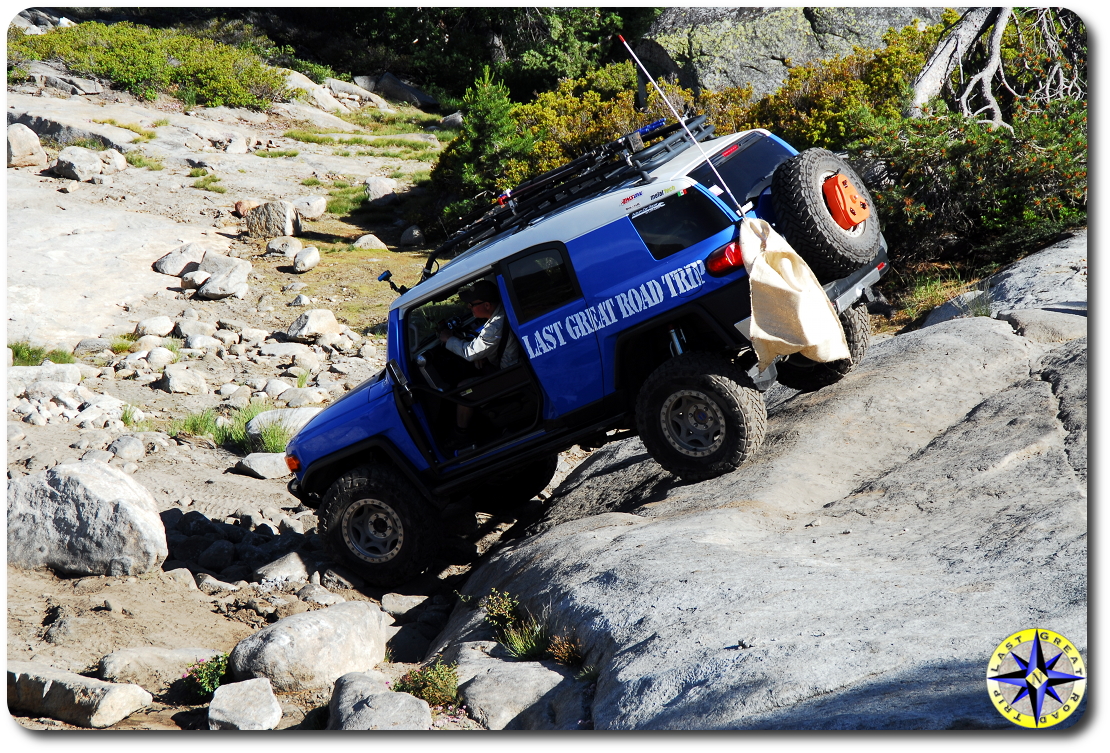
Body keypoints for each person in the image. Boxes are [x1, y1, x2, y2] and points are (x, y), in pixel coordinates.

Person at [437, 279, 521, 448]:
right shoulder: (499, 316)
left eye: (472, 304)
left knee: (464, 390)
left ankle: (461, 436)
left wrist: (448, 339)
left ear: (487, 305)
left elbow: (470, 352)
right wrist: (483, 355)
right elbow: (485, 347)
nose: (469, 307)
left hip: (511, 378)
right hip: (509, 371)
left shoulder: (495, 325)